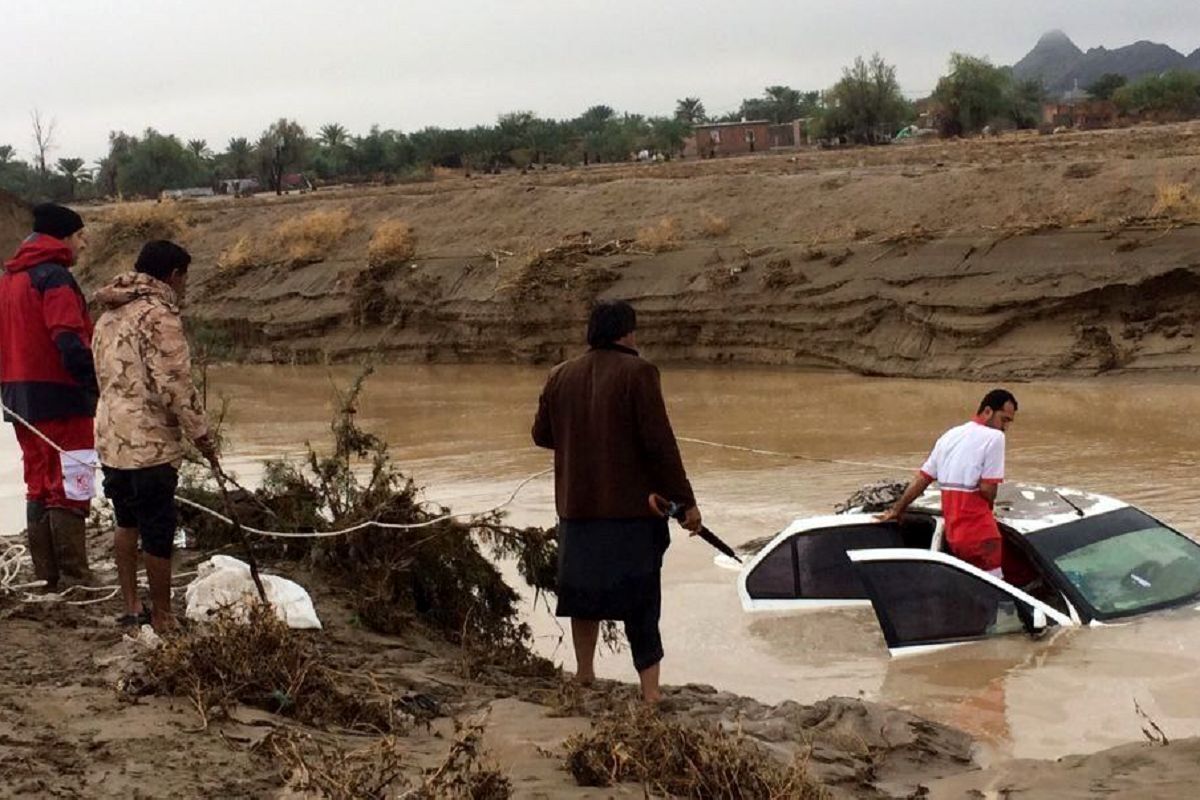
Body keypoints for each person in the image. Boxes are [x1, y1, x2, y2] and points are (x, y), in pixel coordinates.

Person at [532, 300, 701, 703]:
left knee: (581, 595)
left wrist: (580, 438)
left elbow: (541, 434)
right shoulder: (640, 372)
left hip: (577, 509)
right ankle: (651, 693)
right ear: (627, 333)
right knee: (641, 601)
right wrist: (686, 503)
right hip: (631, 513)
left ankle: (585, 674)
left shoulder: (560, 375)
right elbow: (660, 444)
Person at [93, 240, 216, 632]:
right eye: (184, 279)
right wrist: (201, 434)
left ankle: (132, 608)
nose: (184, 288)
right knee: (158, 526)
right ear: (174, 275)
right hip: (149, 442)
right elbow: (175, 384)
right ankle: (163, 615)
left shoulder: (108, 314)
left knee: (125, 520)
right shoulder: (158, 315)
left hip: (112, 435)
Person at [0, 203, 97, 590]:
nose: (84, 243)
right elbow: (69, 338)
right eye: (80, 236)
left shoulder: (8, 278)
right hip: (61, 393)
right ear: (64, 238)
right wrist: (94, 384)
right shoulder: (54, 277)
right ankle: (75, 576)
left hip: (18, 397)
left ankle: (47, 576)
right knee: (74, 479)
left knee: (39, 480)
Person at [879, 389, 1018, 576]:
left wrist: (897, 510)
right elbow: (988, 489)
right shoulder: (995, 438)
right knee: (994, 595)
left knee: (969, 587)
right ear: (987, 411)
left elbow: (922, 478)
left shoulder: (950, 435)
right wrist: (990, 506)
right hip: (981, 534)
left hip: (954, 536)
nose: (1005, 427)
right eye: (1004, 420)